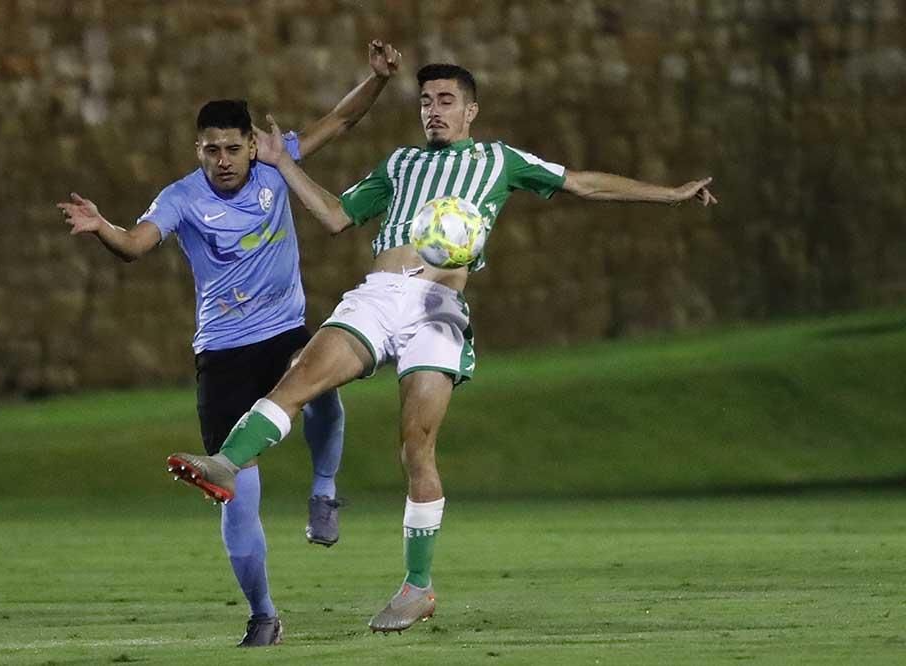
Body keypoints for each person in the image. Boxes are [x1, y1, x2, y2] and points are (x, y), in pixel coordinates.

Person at [167, 62, 718, 634]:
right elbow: (334, 217)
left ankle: (416, 587)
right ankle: (226, 465)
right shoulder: (399, 166)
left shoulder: (501, 162)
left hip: (439, 307)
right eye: (426, 99)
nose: (434, 108)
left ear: (470, 110)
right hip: (379, 295)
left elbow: (582, 182)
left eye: (446, 99)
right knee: (301, 376)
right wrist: (282, 163)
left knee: (416, 446)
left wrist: (671, 195)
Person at [57, 40, 402, 647]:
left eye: (232, 148)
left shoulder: (274, 164)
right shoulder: (182, 197)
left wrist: (374, 79)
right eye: (210, 149)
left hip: (286, 332)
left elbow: (341, 121)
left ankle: (324, 491)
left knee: (317, 377)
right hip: (222, 355)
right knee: (236, 498)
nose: (222, 160)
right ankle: (263, 613)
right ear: (199, 151)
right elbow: (137, 244)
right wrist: (101, 228)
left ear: (251, 144)